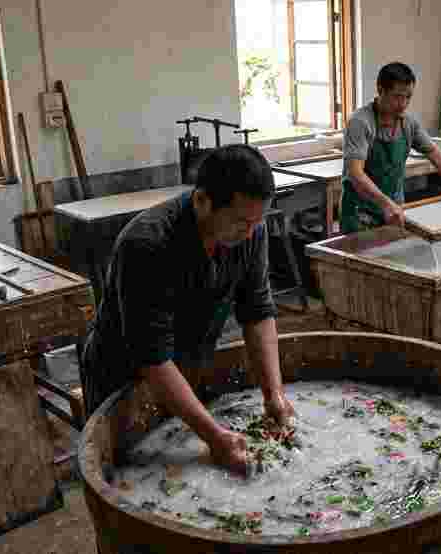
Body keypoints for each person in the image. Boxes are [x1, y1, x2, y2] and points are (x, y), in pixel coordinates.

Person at [80, 144, 294, 475]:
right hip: (124, 372)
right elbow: (152, 356)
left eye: (257, 220)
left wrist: (273, 395)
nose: (251, 231)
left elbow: (257, 311)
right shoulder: (147, 245)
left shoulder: (250, 232)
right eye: (241, 221)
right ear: (201, 201)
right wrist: (214, 437)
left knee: (189, 458)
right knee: (132, 471)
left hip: (183, 363)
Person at [340, 61, 441, 234]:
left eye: (408, 97)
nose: (403, 103)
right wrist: (385, 203)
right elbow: (355, 174)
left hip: (394, 212)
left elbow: (437, 156)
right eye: (397, 96)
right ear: (380, 90)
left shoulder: (408, 124)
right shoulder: (360, 122)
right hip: (359, 214)